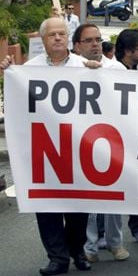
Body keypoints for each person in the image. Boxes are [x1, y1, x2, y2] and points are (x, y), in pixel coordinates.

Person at [0, 17, 102, 276]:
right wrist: (9, 72)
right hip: (44, 150)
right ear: (43, 40)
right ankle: (57, 258)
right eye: (51, 35)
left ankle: (76, 249)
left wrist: (100, 73)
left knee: (79, 208)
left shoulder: (87, 66)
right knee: (47, 207)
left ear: (67, 38)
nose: (57, 38)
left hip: (80, 150)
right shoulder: (28, 69)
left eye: (61, 33)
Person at [72, 24, 128, 263]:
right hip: (82, 139)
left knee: (114, 197)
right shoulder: (70, 70)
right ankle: (89, 247)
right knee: (88, 198)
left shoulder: (117, 68)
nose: (95, 44)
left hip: (113, 138)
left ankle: (116, 243)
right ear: (77, 46)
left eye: (97, 40)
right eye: (89, 41)